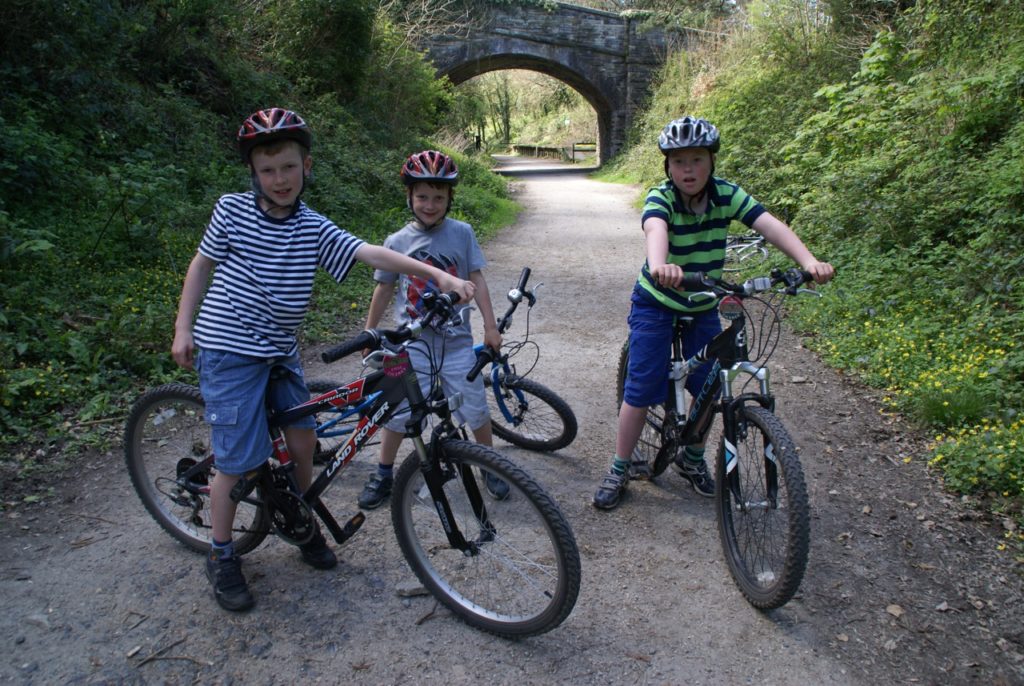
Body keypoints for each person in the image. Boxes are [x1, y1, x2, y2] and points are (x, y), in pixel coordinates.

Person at [171, 109, 475, 612]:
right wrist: (184, 328)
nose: (280, 179)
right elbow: (202, 264)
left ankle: (300, 519)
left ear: (306, 166)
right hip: (228, 350)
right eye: (268, 170)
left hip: (279, 350)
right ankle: (222, 553)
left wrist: (437, 275)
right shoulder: (231, 211)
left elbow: (370, 253)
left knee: (304, 439)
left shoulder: (311, 226)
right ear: (254, 174)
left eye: (288, 167)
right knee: (237, 460)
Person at [592, 115, 835, 510]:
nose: (689, 170)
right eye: (679, 162)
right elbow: (655, 230)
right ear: (668, 167)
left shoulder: (727, 195)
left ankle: (691, 460)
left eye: (698, 160)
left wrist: (808, 261)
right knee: (642, 386)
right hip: (658, 299)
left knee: (708, 385)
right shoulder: (662, 198)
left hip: (702, 300)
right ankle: (620, 467)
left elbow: (770, 225)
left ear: (712, 162)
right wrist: (660, 265)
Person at [355, 150, 509, 510]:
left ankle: (489, 465)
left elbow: (476, 279)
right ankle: (383, 471)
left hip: (456, 343)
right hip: (406, 345)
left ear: (449, 200)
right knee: (396, 410)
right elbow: (385, 287)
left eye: (439, 197)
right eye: (422, 196)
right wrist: (369, 331)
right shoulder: (396, 242)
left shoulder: (462, 234)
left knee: (475, 408)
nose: (430, 204)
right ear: (409, 197)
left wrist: (489, 326)